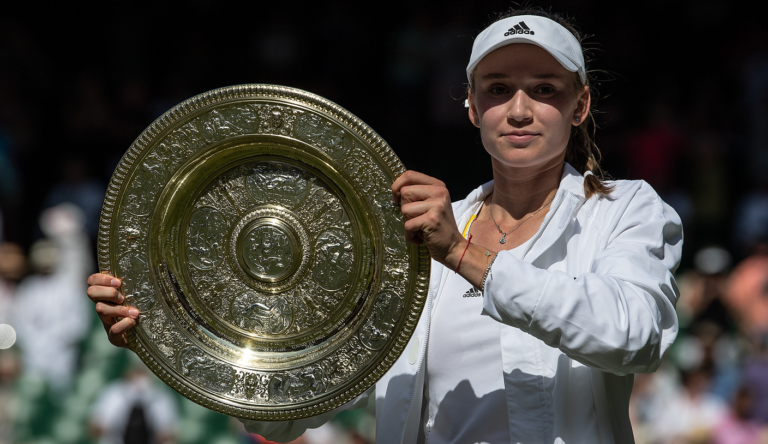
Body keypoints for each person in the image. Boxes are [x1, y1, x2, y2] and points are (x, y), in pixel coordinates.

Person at [85, 8, 683, 444]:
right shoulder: (408, 237)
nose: (520, 109)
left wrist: (464, 254)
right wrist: (164, 334)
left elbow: (635, 337)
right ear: (472, 107)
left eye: (545, 90)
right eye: (499, 90)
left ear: (579, 107)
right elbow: (288, 416)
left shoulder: (625, 209)